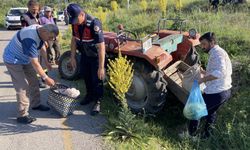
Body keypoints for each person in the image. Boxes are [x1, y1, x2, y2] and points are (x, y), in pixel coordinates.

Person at [3, 24, 59, 124]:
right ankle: (22, 115)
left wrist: (46, 62)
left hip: (25, 59)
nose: (51, 40)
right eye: (50, 37)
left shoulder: (41, 30)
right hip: (13, 60)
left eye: (53, 38)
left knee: (34, 81)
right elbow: (35, 62)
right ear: (44, 32)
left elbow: (42, 47)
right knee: (23, 86)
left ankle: (35, 104)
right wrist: (46, 78)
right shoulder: (29, 38)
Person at [181, 32, 232, 139]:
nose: (203, 47)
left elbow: (220, 73)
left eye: (204, 44)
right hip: (224, 91)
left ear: (212, 42)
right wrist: (203, 72)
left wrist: (202, 80)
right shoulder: (217, 52)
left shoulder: (217, 54)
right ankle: (207, 136)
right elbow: (217, 71)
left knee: (195, 111)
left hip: (217, 92)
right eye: (201, 44)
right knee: (211, 112)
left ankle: (190, 135)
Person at [67, 3, 106, 115]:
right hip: (84, 55)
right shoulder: (75, 23)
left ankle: (97, 101)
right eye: (72, 20)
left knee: (97, 79)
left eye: (76, 19)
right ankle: (89, 96)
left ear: (82, 14)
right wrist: (72, 57)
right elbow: (74, 40)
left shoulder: (94, 23)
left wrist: (101, 67)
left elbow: (101, 46)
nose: (75, 22)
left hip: (95, 57)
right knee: (86, 76)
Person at [20, 0, 48, 88]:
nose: (35, 11)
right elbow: (24, 31)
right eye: (33, 9)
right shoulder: (25, 17)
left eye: (36, 9)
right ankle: (38, 81)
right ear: (28, 8)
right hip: (31, 43)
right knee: (35, 62)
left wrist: (45, 40)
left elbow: (41, 30)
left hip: (40, 41)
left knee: (43, 61)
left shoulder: (39, 16)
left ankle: (44, 78)